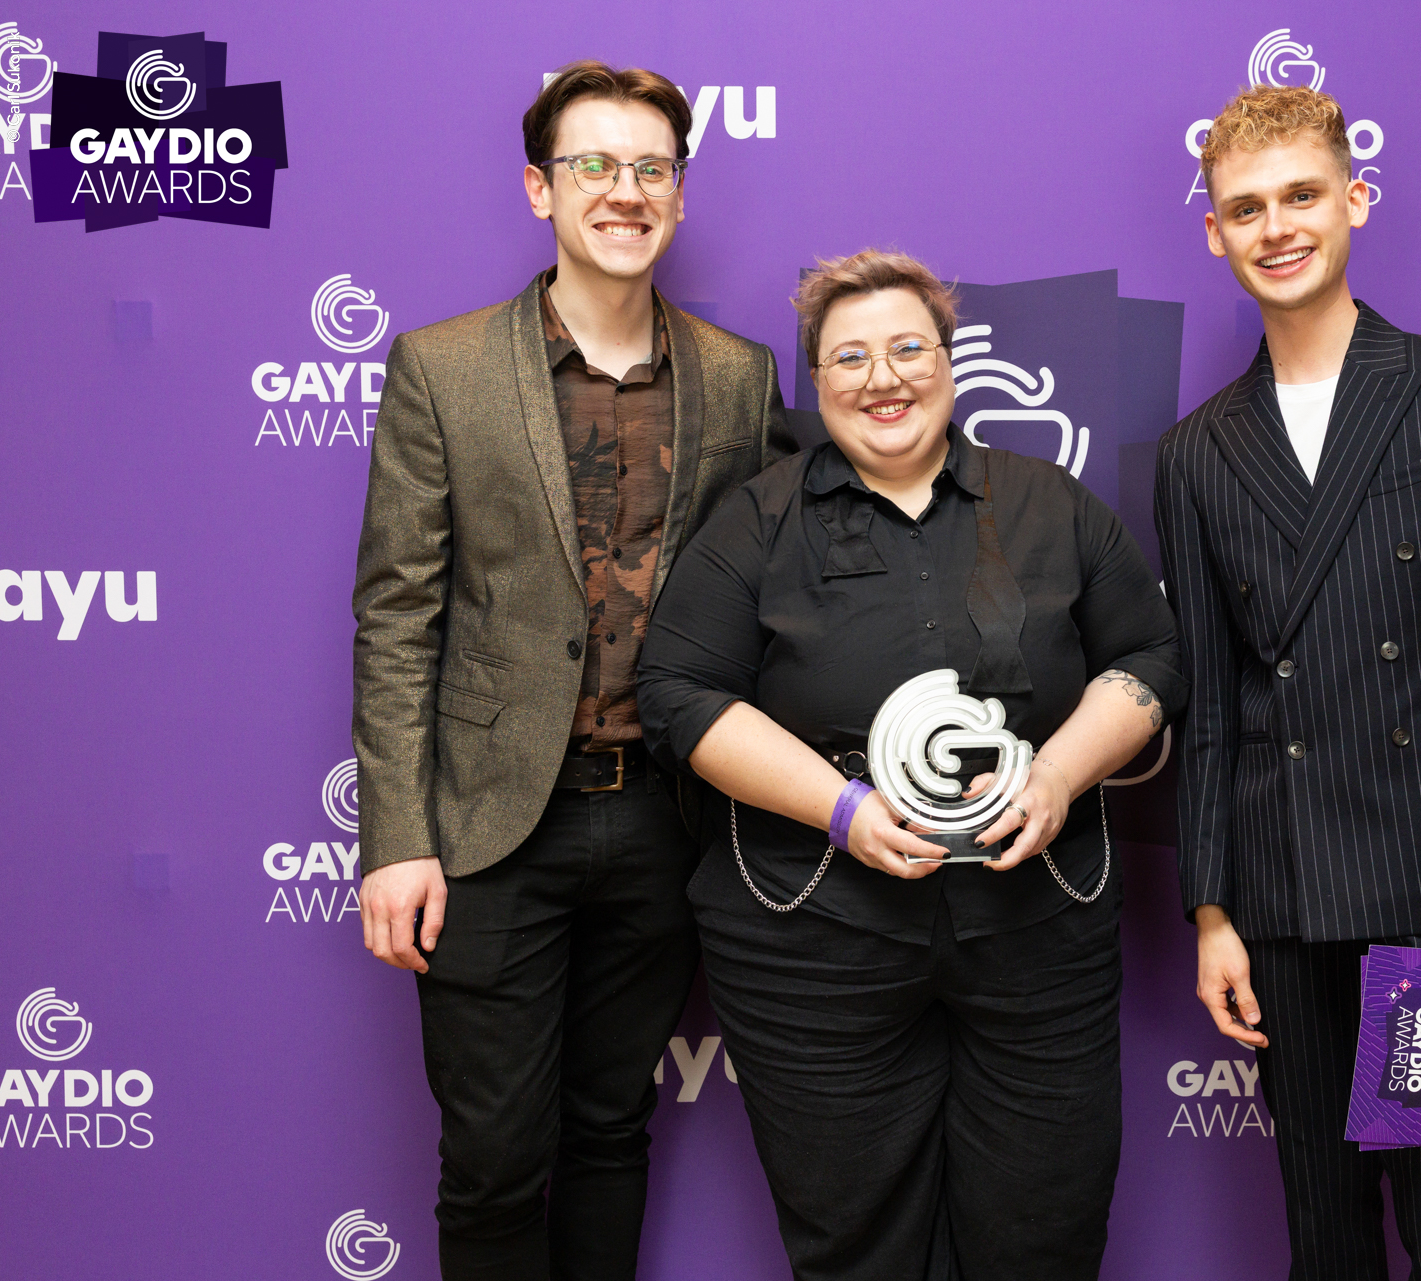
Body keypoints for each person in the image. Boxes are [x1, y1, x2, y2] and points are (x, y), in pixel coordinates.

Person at [635, 248, 1185, 1280]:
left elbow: (1152, 658)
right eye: (849, 358)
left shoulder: (1052, 504)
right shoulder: (756, 520)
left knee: (1045, 1237)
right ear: (815, 380)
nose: (881, 378)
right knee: (855, 1247)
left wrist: (1059, 774)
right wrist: (839, 808)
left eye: (907, 349)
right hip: (812, 939)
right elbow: (677, 691)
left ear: (949, 361)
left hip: (1039, 935)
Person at [350, 61, 793, 1281]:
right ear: (540, 189)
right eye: (593, 164)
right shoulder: (442, 367)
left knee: (609, 1132)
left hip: (665, 822)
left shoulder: (741, 376)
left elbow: (765, 602)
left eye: (651, 168)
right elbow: (397, 617)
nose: (624, 191)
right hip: (493, 827)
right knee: (494, 1160)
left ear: (681, 196)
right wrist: (397, 837)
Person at [1154, 85, 1421, 1278]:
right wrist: (1213, 910)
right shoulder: (1197, 453)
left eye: (1301, 196)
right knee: (1326, 1232)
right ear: (1214, 233)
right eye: (1247, 208)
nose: (1277, 226)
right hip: (1285, 898)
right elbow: (1213, 704)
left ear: (1356, 200)